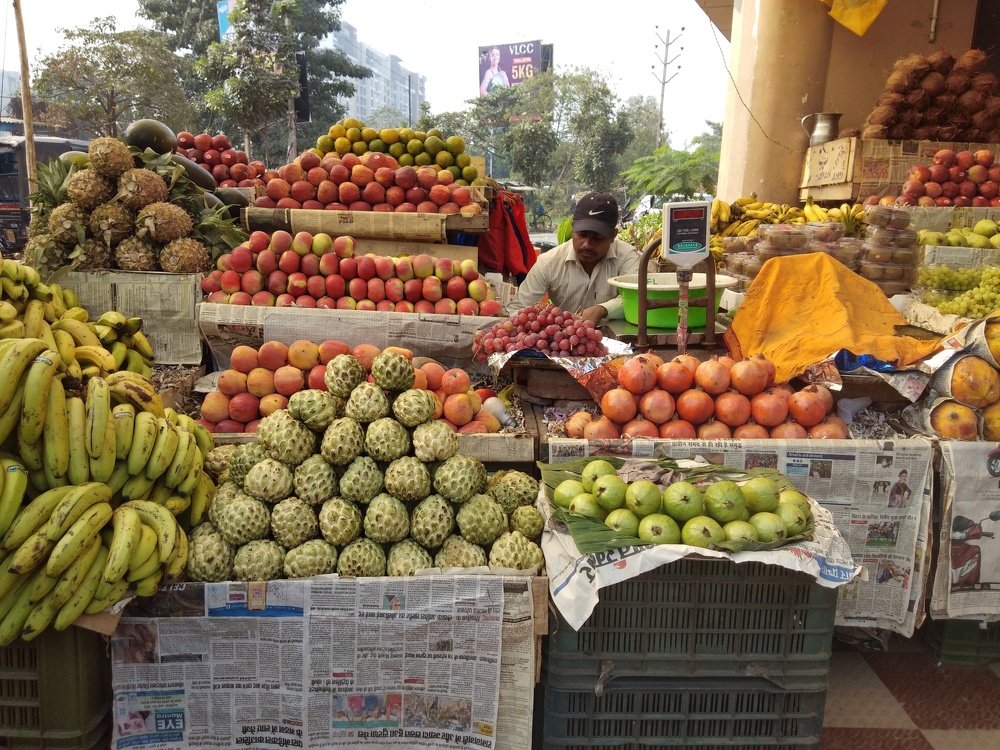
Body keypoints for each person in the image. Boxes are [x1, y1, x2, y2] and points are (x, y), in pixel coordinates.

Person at [509, 192, 639, 324]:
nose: (587, 244)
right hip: (565, 341)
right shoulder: (549, 262)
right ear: (573, 228)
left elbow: (638, 298)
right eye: (582, 234)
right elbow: (519, 309)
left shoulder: (627, 257)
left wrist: (601, 309)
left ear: (613, 235)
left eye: (597, 237)